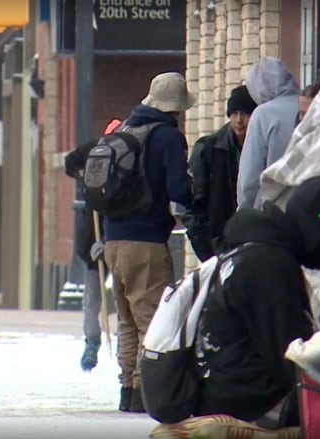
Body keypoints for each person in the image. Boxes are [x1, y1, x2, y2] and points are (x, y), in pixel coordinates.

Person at [196, 176, 320, 427]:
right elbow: (293, 360)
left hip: (225, 392)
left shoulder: (255, 251)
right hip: (247, 405)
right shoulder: (270, 266)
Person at [103, 72, 194, 412]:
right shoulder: (167, 136)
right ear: (176, 108)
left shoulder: (127, 129)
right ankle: (144, 395)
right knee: (153, 321)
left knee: (127, 320)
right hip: (146, 242)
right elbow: (178, 190)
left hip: (114, 239)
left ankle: (127, 389)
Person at [64, 117, 122, 372]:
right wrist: (84, 178)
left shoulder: (128, 156)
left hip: (120, 233)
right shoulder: (91, 150)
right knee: (93, 297)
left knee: (123, 295)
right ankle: (92, 341)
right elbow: (70, 163)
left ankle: (124, 344)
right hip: (94, 234)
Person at [183, 85, 258, 261]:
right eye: (234, 113)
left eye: (245, 114)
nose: (239, 120)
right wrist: (206, 247)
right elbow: (192, 205)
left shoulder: (261, 147)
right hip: (218, 244)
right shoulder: (208, 148)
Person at [236, 57, 300, 210]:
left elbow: (249, 176)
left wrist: (244, 210)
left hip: (272, 207)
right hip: (309, 205)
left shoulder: (263, 114)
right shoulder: (310, 105)